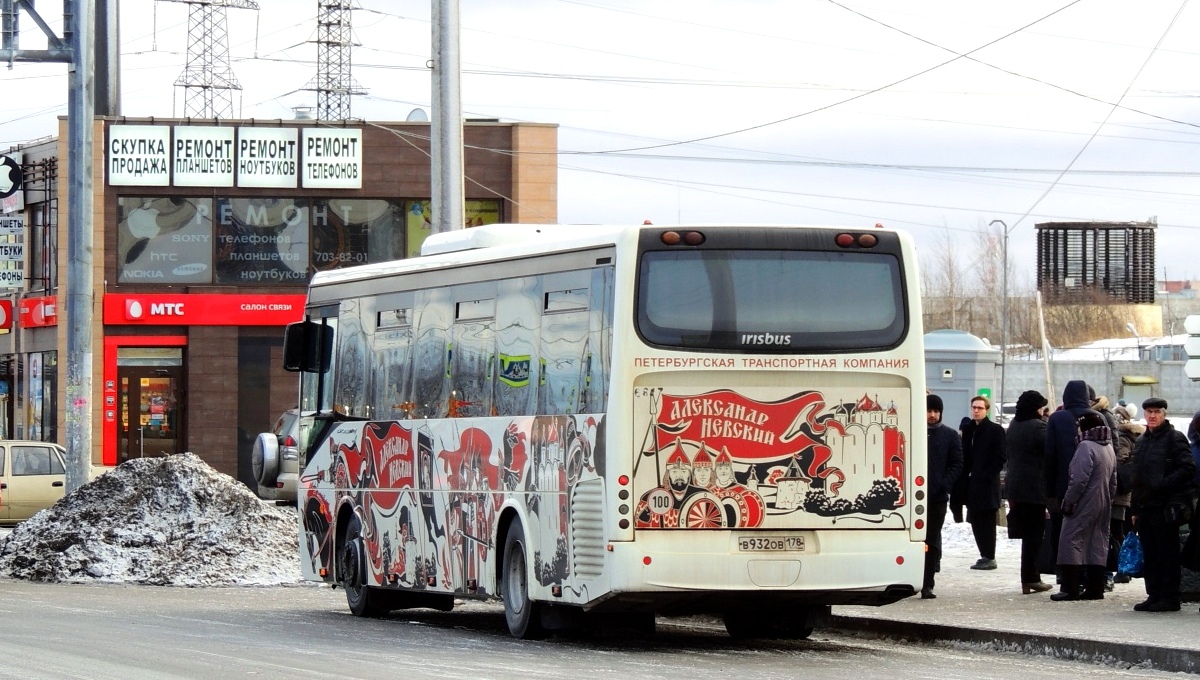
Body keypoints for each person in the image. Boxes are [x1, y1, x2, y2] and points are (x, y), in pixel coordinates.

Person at [1129, 397, 1197, 612]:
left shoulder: (1175, 438)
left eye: (1157, 411)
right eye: (1149, 411)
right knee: (1150, 553)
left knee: (1167, 553)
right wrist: (1135, 508)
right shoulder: (1142, 441)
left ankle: (1169, 597)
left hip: (1166, 506)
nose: (1152, 415)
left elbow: (1187, 468)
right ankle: (1154, 594)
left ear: (1164, 414)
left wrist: (1162, 485)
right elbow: (1136, 476)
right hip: (1146, 505)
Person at [1051, 411, 1118, 600]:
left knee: (1070, 540)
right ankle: (1095, 588)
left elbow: (1078, 479)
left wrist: (1069, 501)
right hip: (1103, 501)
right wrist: (1108, 500)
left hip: (1084, 501)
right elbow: (1113, 481)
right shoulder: (1108, 447)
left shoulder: (1085, 446)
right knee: (1097, 542)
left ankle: (1069, 588)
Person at [1044, 380, 1095, 593]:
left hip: (1063, 485)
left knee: (1062, 533)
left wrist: (1049, 491)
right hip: (1091, 485)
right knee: (1089, 534)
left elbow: (1050, 456)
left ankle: (1064, 574)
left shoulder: (1057, 418)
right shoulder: (1097, 416)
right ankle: (1088, 575)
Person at [1003, 390, 1053, 594]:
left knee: (1027, 535)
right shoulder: (1038, 427)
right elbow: (1050, 451)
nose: (1042, 411)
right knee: (1035, 535)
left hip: (1015, 486)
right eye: (1041, 407)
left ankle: (1028, 578)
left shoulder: (1014, 425)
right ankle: (1031, 577)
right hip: (1034, 488)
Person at [922, 394, 964, 599]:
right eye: (929, 411)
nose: (932, 415)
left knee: (931, 539)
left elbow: (957, 463)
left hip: (937, 497)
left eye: (936, 411)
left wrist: (944, 485)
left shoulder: (949, 435)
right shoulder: (915, 432)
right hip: (914, 497)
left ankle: (927, 582)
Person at [961, 395, 1006, 570]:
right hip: (972, 485)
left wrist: (985, 474)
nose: (976, 410)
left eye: (980, 408)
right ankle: (983, 554)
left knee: (987, 521)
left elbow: (1000, 457)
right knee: (976, 520)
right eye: (974, 407)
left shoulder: (995, 430)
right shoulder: (969, 430)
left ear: (986, 410)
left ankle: (989, 555)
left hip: (987, 485)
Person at [1111, 405, 1144, 584]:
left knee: (1118, 532)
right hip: (1126, 493)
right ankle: (1125, 568)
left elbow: (1119, 462)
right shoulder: (1133, 437)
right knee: (1122, 531)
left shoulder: (1123, 439)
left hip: (1119, 493)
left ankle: (1123, 569)